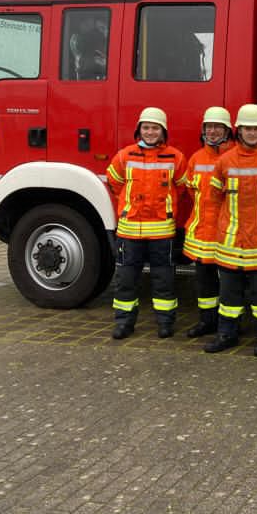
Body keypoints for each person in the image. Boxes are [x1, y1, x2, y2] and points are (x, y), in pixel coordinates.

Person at [205, 104, 257, 356]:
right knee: (228, 296)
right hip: (230, 242)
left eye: (256, 129)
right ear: (238, 131)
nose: (251, 133)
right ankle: (226, 334)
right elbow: (215, 196)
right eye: (246, 129)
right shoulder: (225, 161)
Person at [105, 107, 187, 340]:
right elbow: (114, 182)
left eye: (155, 128)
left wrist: (166, 206)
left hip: (162, 231)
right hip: (130, 230)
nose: (150, 132)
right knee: (126, 280)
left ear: (163, 131)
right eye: (146, 127)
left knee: (164, 280)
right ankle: (124, 323)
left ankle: (165, 322)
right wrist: (129, 206)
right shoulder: (124, 156)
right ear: (139, 130)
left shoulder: (176, 157)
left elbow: (181, 187)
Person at [179, 106, 234, 338]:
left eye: (217, 127)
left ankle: (229, 325)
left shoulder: (234, 158)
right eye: (209, 127)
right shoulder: (196, 158)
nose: (212, 131)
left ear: (227, 131)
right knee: (204, 284)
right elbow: (192, 192)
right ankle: (207, 321)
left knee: (230, 286)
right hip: (202, 234)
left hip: (225, 234)